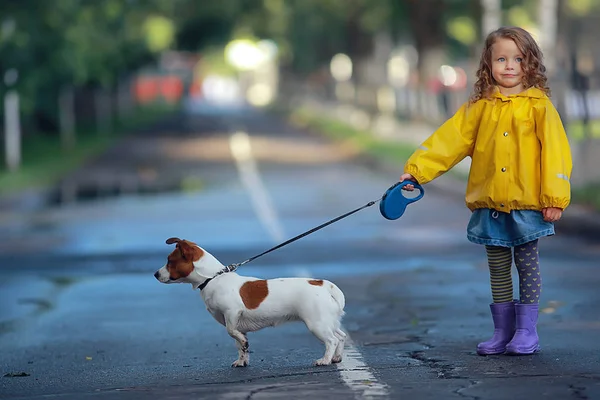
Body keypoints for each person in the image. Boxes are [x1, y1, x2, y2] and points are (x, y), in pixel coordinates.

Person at [399, 26, 572, 356]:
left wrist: (555, 198)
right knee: (497, 266)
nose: (509, 66)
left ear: (530, 63)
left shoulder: (539, 107)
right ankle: (502, 331)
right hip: (489, 204)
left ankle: (526, 330)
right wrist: (417, 171)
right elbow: (448, 141)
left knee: (526, 263)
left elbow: (556, 154)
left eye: (517, 59)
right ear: (488, 64)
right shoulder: (479, 107)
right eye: (501, 59)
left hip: (528, 204)